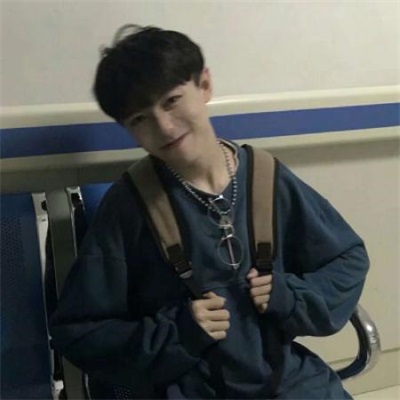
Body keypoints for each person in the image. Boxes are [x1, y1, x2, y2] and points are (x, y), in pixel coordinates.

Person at [50, 24, 369, 399]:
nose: (164, 126)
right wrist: (178, 331)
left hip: (287, 380)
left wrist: (292, 296)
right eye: (140, 119)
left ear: (204, 85)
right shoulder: (129, 205)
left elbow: (347, 259)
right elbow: (80, 332)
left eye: (171, 100)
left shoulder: (266, 178)